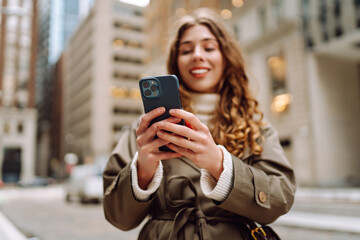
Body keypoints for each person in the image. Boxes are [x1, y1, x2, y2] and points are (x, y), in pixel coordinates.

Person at [103, 8, 296, 240]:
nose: (197, 55)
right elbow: (117, 217)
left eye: (209, 47)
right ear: (176, 62)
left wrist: (219, 164)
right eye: (186, 50)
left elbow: (280, 199)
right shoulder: (146, 129)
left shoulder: (255, 126)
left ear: (225, 57)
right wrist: (143, 170)